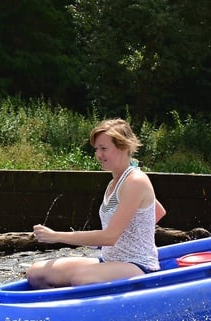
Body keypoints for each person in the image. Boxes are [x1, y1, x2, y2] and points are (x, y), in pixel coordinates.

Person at [26, 118, 166, 288]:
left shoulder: (135, 181)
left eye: (104, 148)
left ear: (123, 147)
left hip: (139, 265)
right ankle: (53, 309)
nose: (98, 155)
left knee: (82, 278)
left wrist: (56, 236)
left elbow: (109, 237)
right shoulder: (114, 182)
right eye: (96, 149)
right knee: (36, 273)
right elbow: (157, 212)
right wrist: (132, 233)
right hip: (108, 260)